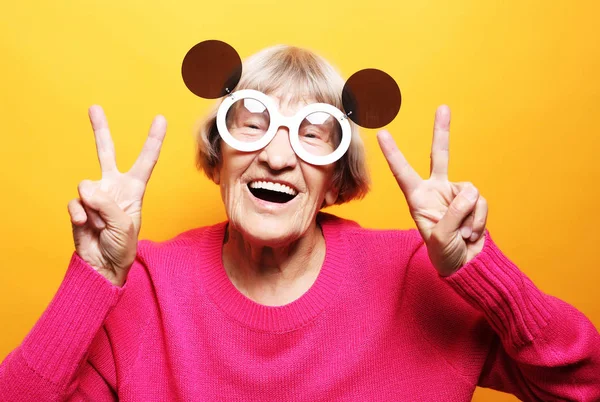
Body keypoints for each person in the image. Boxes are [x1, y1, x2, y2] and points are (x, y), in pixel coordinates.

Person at [1, 42, 599, 402]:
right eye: (253, 123)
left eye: (313, 135)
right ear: (219, 155)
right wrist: (94, 278)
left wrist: (485, 276)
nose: (279, 155)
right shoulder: (146, 286)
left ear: (336, 180)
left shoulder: (419, 276)